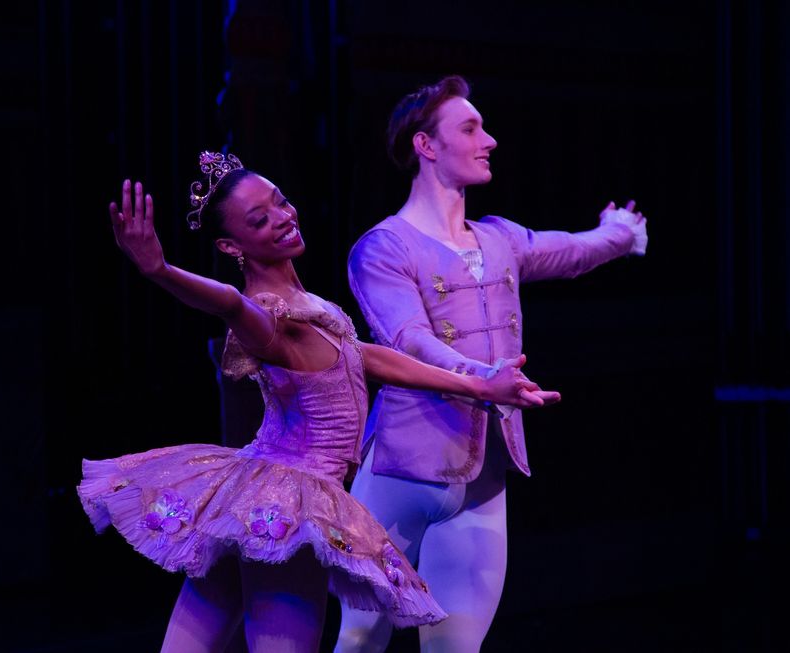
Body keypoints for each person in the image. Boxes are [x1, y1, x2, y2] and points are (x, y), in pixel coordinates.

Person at [77, 151, 561, 653]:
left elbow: (372, 358)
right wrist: (160, 271)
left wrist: (482, 386)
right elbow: (227, 301)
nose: (284, 217)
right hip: (287, 505)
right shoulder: (267, 315)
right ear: (230, 245)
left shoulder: (315, 308)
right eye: (260, 220)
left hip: (246, 495)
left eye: (281, 201)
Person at [334, 76, 648, 653]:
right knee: (359, 638)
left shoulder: (499, 239)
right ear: (427, 146)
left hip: (482, 476)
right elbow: (408, 339)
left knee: (457, 645)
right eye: (471, 128)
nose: (491, 140)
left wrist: (617, 233)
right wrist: (485, 379)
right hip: (403, 468)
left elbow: (571, 251)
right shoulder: (384, 247)